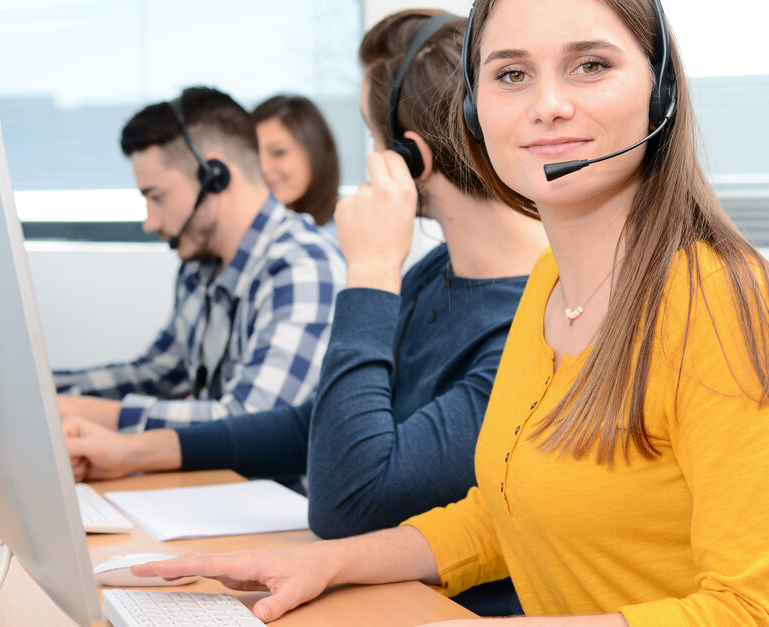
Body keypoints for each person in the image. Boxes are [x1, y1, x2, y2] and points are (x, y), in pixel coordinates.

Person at [129, 0, 769, 624]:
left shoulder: (724, 303)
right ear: (473, 113)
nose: (547, 103)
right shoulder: (551, 283)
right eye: (511, 74)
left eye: (590, 64)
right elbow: (504, 513)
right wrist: (325, 563)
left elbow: (767, 610)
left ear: (660, 91)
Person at [62, 10, 548, 616]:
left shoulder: (536, 318)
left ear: (409, 157)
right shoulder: (436, 276)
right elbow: (311, 424)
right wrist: (136, 450)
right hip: (379, 594)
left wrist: (370, 271)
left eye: (374, 142)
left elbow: (349, 503)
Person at [54, 86, 345, 432]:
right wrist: (43, 391)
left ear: (215, 178)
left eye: (157, 197)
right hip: (215, 482)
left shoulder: (303, 266)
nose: (151, 222)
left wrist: (92, 414)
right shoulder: (199, 266)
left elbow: (252, 422)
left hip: (273, 486)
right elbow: (160, 374)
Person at [252, 95, 340, 226]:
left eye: (279, 152)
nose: (263, 168)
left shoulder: (342, 238)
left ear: (316, 152)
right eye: (254, 154)